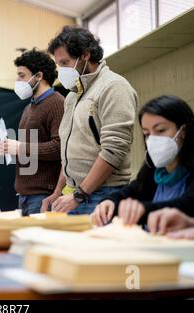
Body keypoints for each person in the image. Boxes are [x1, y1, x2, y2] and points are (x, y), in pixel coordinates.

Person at [41, 26, 138, 214]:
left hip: (103, 195)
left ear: (85, 55)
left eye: (65, 62)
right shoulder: (72, 96)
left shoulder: (114, 87)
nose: (61, 70)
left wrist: (80, 194)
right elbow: (69, 152)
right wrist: (57, 192)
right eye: (58, 64)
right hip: (75, 195)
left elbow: (113, 150)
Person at [90, 95, 194, 228]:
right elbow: (128, 192)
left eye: (160, 130)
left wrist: (141, 209)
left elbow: (188, 205)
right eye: (147, 134)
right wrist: (110, 201)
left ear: (183, 132)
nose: (152, 140)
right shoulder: (152, 170)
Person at [0, 49, 64, 215]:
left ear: (39, 76)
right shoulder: (29, 107)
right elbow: (30, 148)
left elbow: (59, 147)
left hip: (44, 195)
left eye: (22, 75)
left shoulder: (56, 103)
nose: (17, 80)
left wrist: (19, 147)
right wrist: (9, 149)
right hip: (24, 195)